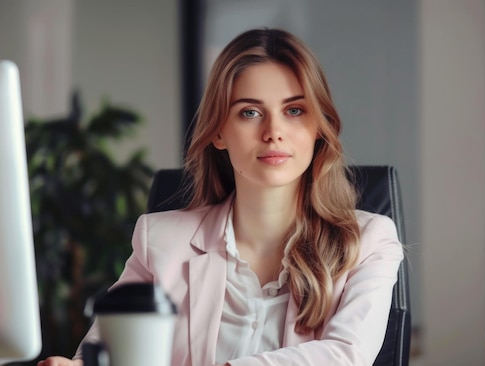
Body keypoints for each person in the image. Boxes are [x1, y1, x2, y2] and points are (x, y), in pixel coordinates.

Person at [38, 27, 404, 366]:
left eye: (294, 111)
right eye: (249, 112)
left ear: (318, 129)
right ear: (218, 133)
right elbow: (108, 352)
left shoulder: (368, 241)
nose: (274, 131)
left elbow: (345, 355)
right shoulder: (160, 241)